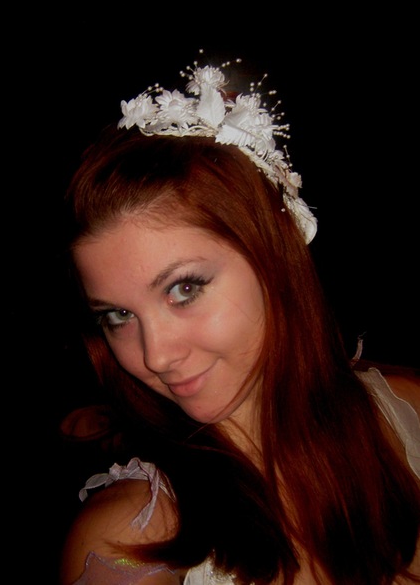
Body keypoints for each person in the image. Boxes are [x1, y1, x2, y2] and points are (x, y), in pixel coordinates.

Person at [59, 51, 420, 585]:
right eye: (117, 314)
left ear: (275, 259)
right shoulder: (127, 543)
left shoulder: (407, 411)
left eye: (184, 288)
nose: (155, 356)